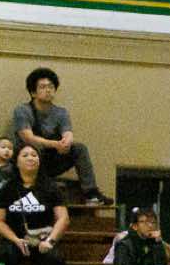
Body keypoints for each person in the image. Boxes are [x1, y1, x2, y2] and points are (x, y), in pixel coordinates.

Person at [10, 67, 108, 205]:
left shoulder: (61, 112)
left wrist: (66, 143)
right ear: (33, 92)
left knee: (79, 149)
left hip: (52, 159)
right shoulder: (22, 110)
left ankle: (91, 193)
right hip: (30, 159)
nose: (48, 90)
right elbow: (28, 138)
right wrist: (55, 144)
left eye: (51, 87)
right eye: (43, 87)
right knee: (32, 149)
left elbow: (67, 133)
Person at [0, 145, 70, 265]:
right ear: (17, 162)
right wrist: (15, 239)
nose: (30, 158)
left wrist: (50, 241)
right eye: (25, 155)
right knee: (4, 255)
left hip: (43, 239)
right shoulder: (7, 189)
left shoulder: (51, 187)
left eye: (34, 155)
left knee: (56, 259)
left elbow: (63, 218)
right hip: (16, 241)